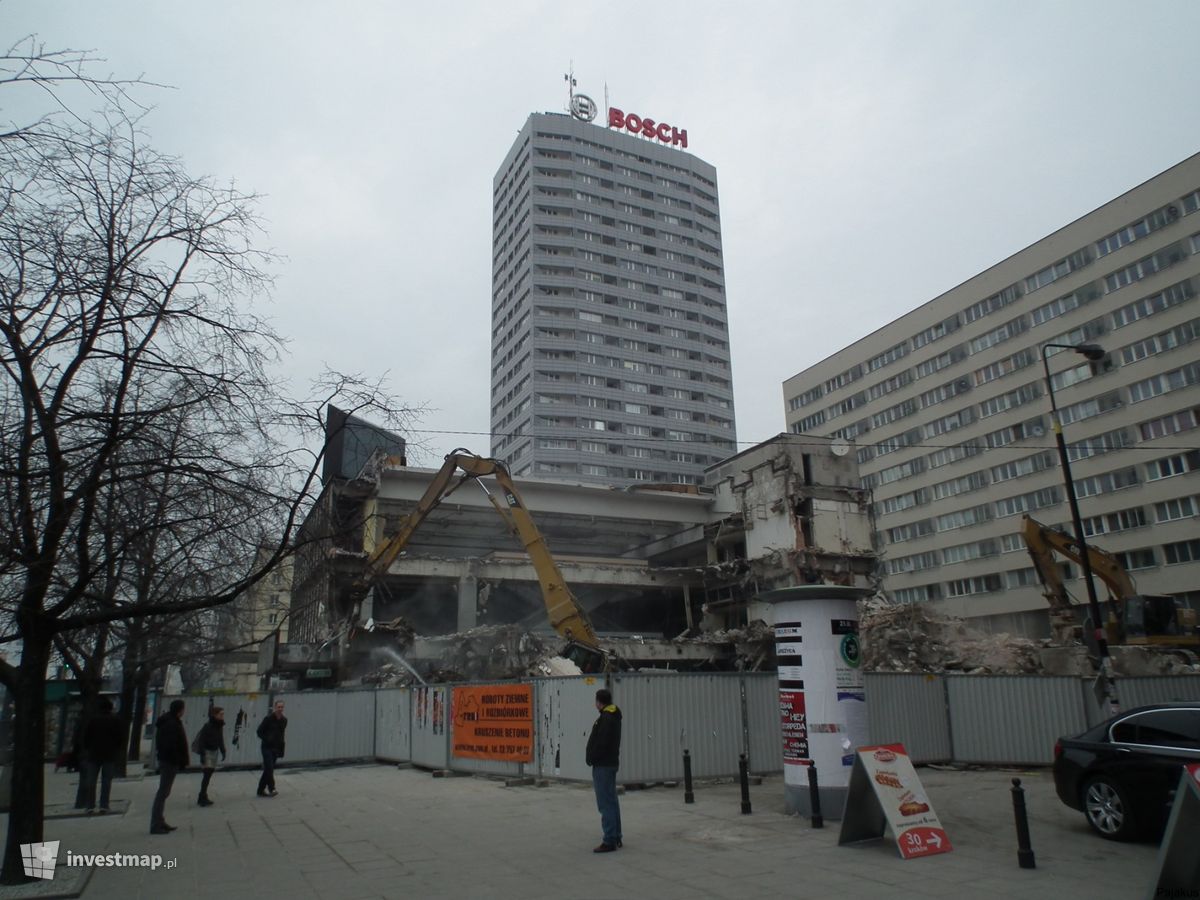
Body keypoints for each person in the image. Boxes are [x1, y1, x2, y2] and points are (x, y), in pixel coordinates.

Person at [585, 687, 623, 853]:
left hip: (603, 764)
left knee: (605, 802)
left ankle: (609, 839)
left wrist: (592, 757)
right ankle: (616, 835)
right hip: (610, 763)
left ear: (599, 702)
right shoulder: (612, 716)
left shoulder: (606, 719)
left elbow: (602, 742)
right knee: (612, 800)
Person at [150, 699, 188, 834]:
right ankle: (155, 823)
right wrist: (177, 759)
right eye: (183, 708)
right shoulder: (171, 724)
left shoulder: (169, 721)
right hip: (169, 761)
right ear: (180, 710)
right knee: (163, 792)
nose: (184, 711)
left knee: (164, 791)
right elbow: (171, 744)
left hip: (169, 760)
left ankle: (160, 820)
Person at [81, 698, 122, 814]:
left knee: (91, 781)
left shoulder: (93, 720)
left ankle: (90, 805)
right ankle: (104, 805)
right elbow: (120, 738)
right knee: (106, 781)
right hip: (109, 755)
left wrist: (88, 748)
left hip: (94, 755)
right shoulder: (116, 720)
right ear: (110, 708)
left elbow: (86, 737)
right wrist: (116, 749)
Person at [193, 706, 227, 807]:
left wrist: (223, 750)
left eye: (223, 714)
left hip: (214, 751)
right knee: (207, 774)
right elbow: (202, 740)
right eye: (221, 714)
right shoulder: (208, 726)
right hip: (207, 751)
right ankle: (202, 796)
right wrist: (202, 754)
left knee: (209, 774)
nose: (222, 716)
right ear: (215, 715)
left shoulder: (219, 725)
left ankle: (203, 795)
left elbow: (220, 738)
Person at [256, 700, 287, 797]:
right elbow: (259, 731)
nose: (280, 709)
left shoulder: (284, 720)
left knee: (268, 770)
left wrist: (281, 748)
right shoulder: (268, 719)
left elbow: (282, 735)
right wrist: (267, 739)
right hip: (266, 747)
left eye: (282, 707)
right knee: (269, 767)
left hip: (276, 748)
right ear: (275, 707)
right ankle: (272, 788)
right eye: (278, 707)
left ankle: (260, 790)